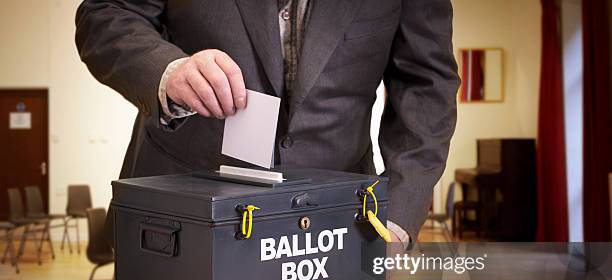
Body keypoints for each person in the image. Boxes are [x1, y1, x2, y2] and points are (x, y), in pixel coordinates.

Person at [75, 0, 459, 245]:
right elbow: (107, 13)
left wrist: (397, 215)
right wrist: (167, 71)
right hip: (186, 216)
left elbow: (427, 83)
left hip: (337, 220)